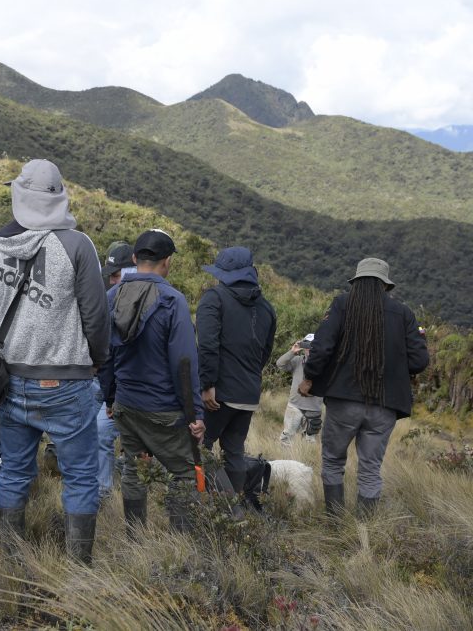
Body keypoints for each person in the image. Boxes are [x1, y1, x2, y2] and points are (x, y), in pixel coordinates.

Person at [0, 159, 109, 563]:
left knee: (14, 470)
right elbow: (96, 316)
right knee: (80, 475)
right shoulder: (78, 246)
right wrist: (96, 361)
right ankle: (78, 568)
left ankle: (12, 559)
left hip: (9, 381)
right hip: (66, 380)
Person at [299, 258, 429, 516]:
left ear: (356, 281)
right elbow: (419, 361)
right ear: (385, 285)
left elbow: (322, 347)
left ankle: (335, 523)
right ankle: (364, 529)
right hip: (385, 404)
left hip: (343, 399)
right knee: (370, 469)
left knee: (333, 461)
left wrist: (310, 376)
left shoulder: (342, 304)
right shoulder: (403, 313)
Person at [98, 229, 205, 534]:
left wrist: (110, 399)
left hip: (126, 404)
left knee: (133, 469)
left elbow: (105, 356)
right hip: (164, 408)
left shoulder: (112, 296)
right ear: (167, 261)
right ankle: (181, 539)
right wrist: (195, 414)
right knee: (184, 473)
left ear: (134, 258)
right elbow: (184, 364)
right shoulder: (173, 300)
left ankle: (135, 537)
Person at [196, 247, 277, 506]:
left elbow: (207, 345)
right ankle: (235, 510)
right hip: (248, 395)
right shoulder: (266, 308)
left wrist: (207, 384)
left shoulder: (214, 298)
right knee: (234, 452)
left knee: (197, 448)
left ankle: (203, 506)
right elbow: (265, 352)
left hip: (218, 393)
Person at [96, 242, 135, 499]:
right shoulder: (107, 299)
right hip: (112, 389)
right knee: (100, 432)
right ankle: (103, 491)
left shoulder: (160, 298)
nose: (111, 280)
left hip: (142, 391)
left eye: (116, 275)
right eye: (110, 275)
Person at [276, 333, 323, 445]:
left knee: (310, 441)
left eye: (313, 345)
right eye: (307, 345)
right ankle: (284, 456)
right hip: (295, 405)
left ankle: (305, 456)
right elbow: (280, 364)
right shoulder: (297, 360)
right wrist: (292, 351)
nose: (309, 349)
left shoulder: (325, 363)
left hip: (314, 408)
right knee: (287, 437)